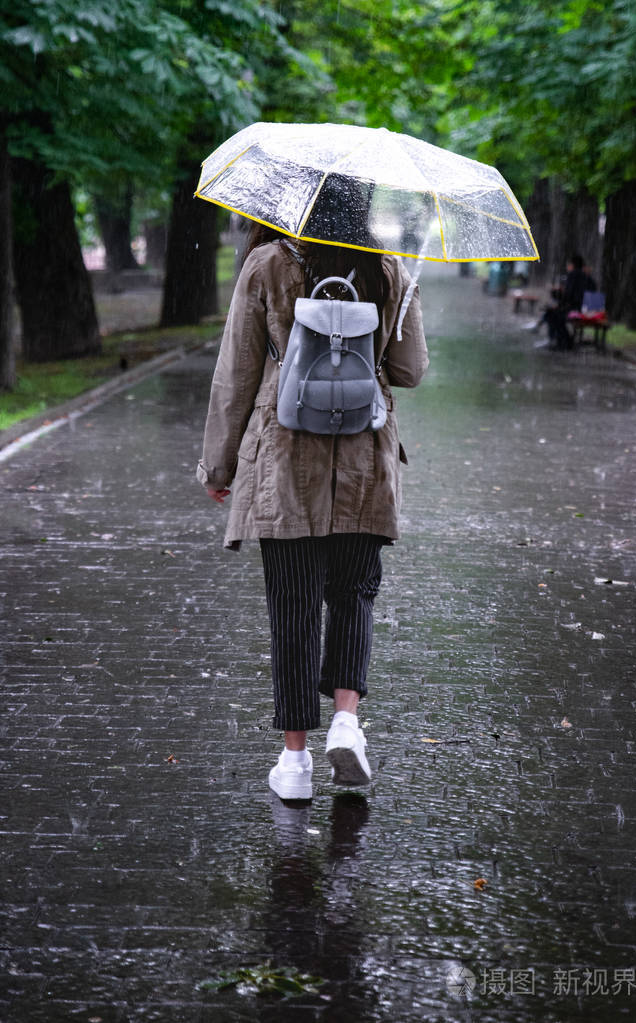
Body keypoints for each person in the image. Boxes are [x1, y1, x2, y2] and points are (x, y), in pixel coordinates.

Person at [196, 196, 428, 802]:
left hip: (285, 460)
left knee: (293, 607)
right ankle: (347, 722)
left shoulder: (269, 263)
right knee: (354, 593)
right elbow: (409, 370)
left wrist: (219, 466)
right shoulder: (388, 270)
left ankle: (294, 764)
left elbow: (235, 375)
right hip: (364, 458)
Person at [540, 254, 598, 349]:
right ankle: (563, 341)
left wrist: (557, 297)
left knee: (551, 315)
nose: (567, 267)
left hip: (578, 310)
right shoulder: (587, 277)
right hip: (589, 310)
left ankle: (561, 342)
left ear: (572, 265)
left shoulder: (573, 275)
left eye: (568, 265)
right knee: (554, 313)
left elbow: (569, 296)